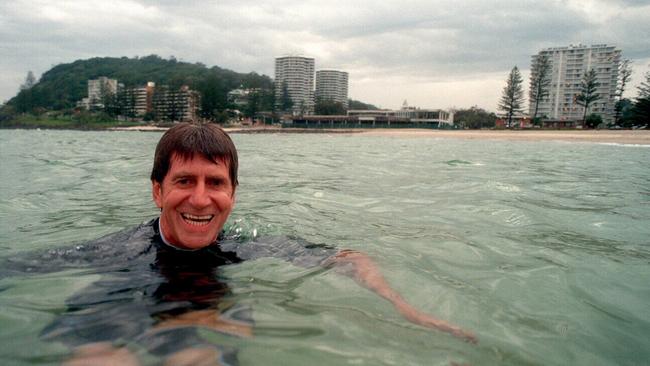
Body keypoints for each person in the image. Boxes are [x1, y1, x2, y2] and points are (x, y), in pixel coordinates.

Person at [6, 123, 476, 365]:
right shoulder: (118, 250)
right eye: (184, 180)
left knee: (204, 355)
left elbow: (347, 257)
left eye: (215, 183)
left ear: (233, 194)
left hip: (205, 309)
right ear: (156, 190)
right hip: (115, 304)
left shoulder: (245, 246)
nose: (200, 198)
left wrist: (405, 309)